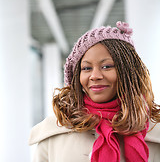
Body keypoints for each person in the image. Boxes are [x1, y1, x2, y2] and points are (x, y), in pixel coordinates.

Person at [29, 21, 160, 162]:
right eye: (86, 68)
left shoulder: (154, 134)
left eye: (107, 66)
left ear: (129, 73)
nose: (95, 76)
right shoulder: (53, 133)